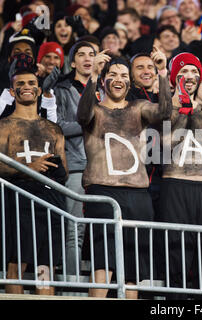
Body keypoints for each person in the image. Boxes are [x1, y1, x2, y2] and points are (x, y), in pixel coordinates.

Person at [77, 46, 172, 299]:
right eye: (113, 75)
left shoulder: (139, 108)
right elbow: (82, 114)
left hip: (138, 196)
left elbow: (164, 113)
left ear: (130, 83)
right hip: (103, 193)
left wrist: (162, 72)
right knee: (103, 267)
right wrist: (92, 76)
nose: (118, 80)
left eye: (124, 76)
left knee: (133, 272)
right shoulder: (95, 110)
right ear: (104, 79)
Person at [158, 52, 202, 298]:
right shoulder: (164, 104)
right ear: (176, 75)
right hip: (175, 184)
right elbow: (164, 147)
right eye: (185, 71)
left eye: (195, 72)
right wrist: (184, 110)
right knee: (177, 253)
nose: (191, 76)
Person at [0, 67, 68, 296]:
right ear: (12, 90)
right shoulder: (4, 125)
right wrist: (30, 168)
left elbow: (65, 171)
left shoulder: (53, 128)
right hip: (18, 196)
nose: (27, 86)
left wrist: (55, 170)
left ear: (39, 90)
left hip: (52, 198)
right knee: (17, 260)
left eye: (32, 83)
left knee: (45, 262)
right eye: (21, 83)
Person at [55, 41, 96, 276]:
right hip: (77, 166)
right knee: (75, 229)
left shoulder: (105, 86)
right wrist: (89, 125)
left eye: (91, 54)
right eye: (81, 54)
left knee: (102, 230)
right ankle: (72, 283)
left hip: (103, 168)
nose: (87, 58)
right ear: (73, 62)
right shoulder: (62, 89)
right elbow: (57, 126)